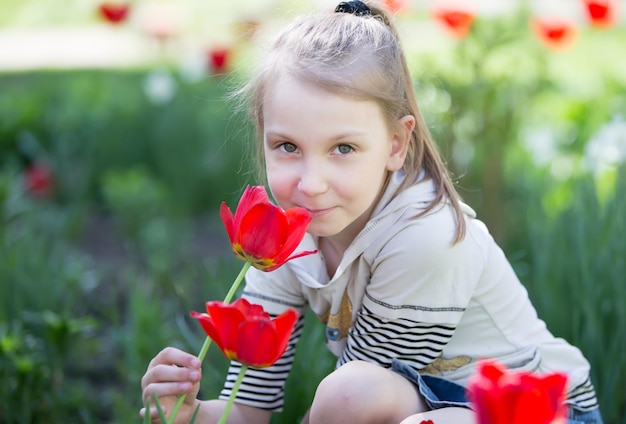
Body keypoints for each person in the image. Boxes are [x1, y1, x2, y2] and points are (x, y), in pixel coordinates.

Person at [140, 1, 602, 423]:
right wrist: (189, 414)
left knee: (351, 393)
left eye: (343, 148)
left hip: (539, 412)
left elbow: (345, 407)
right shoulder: (283, 239)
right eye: (287, 146)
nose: (310, 183)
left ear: (396, 144)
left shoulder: (425, 238)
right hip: (424, 407)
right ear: (263, 134)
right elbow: (248, 408)